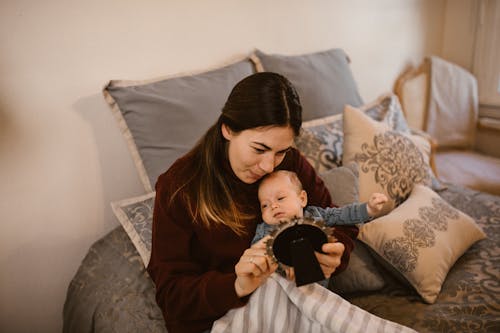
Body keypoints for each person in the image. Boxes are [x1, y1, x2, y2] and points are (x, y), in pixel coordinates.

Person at [147, 72, 358, 333]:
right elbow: (172, 296)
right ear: (228, 129)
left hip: (298, 309)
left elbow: (336, 221)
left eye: (280, 151)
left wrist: (335, 253)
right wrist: (236, 285)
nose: (268, 165)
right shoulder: (179, 186)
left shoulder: (289, 164)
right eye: (259, 149)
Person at [253, 169, 388, 245]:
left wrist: (368, 209)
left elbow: (342, 215)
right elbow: (255, 255)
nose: (273, 206)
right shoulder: (264, 230)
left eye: (280, 198)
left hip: (314, 286)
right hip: (280, 284)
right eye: (265, 205)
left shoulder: (315, 216)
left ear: (302, 199)